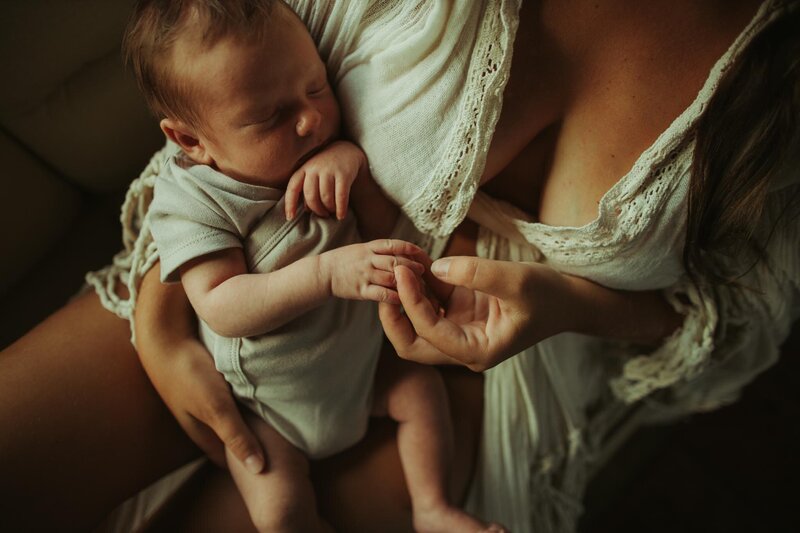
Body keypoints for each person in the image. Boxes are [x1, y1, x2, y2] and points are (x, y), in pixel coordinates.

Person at [1, 0, 798, 531]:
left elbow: (732, 313)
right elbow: (222, 96)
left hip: (484, 386)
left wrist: (566, 304)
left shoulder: (781, 83)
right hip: (256, 264)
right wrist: (161, 314)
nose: (313, 107)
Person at [123, 1, 496, 531]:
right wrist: (325, 274)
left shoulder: (329, 148)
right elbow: (222, 305)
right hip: (270, 413)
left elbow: (381, 230)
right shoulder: (193, 198)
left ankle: (432, 507)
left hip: (362, 373)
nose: (310, 119)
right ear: (191, 141)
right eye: (271, 116)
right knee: (278, 512)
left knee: (419, 393)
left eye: (316, 87)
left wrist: (354, 168)